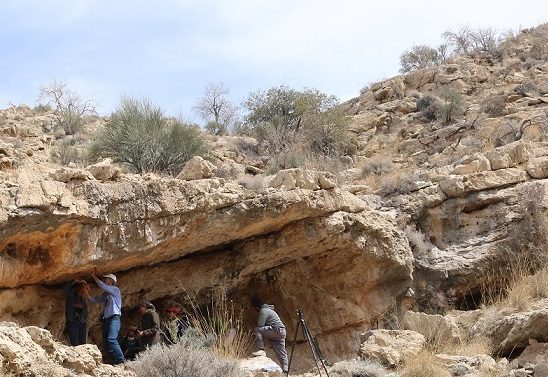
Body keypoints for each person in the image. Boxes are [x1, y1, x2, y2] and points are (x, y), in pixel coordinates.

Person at [84, 272, 125, 365]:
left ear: (111, 281)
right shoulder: (106, 294)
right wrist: (86, 292)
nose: (104, 280)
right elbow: (94, 300)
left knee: (111, 339)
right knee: (106, 342)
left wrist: (94, 276)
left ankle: (122, 361)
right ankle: (113, 362)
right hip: (107, 320)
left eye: (106, 278)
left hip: (114, 318)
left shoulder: (115, 290)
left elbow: (102, 285)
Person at [251, 295, 288, 372]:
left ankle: (261, 350)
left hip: (276, 330)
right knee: (281, 352)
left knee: (257, 330)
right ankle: (285, 370)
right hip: (282, 331)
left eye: (254, 308)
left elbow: (260, 325)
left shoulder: (263, 310)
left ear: (256, 307)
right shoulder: (270, 310)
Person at [63, 280, 88, 346]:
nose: (84, 289)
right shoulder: (71, 295)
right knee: (75, 342)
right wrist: (74, 281)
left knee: (83, 343)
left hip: (81, 322)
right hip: (72, 321)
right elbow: (65, 289)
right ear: (78, 287)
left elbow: (85, 310)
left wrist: (84, 318)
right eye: (82, 286)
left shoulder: (83, 299)